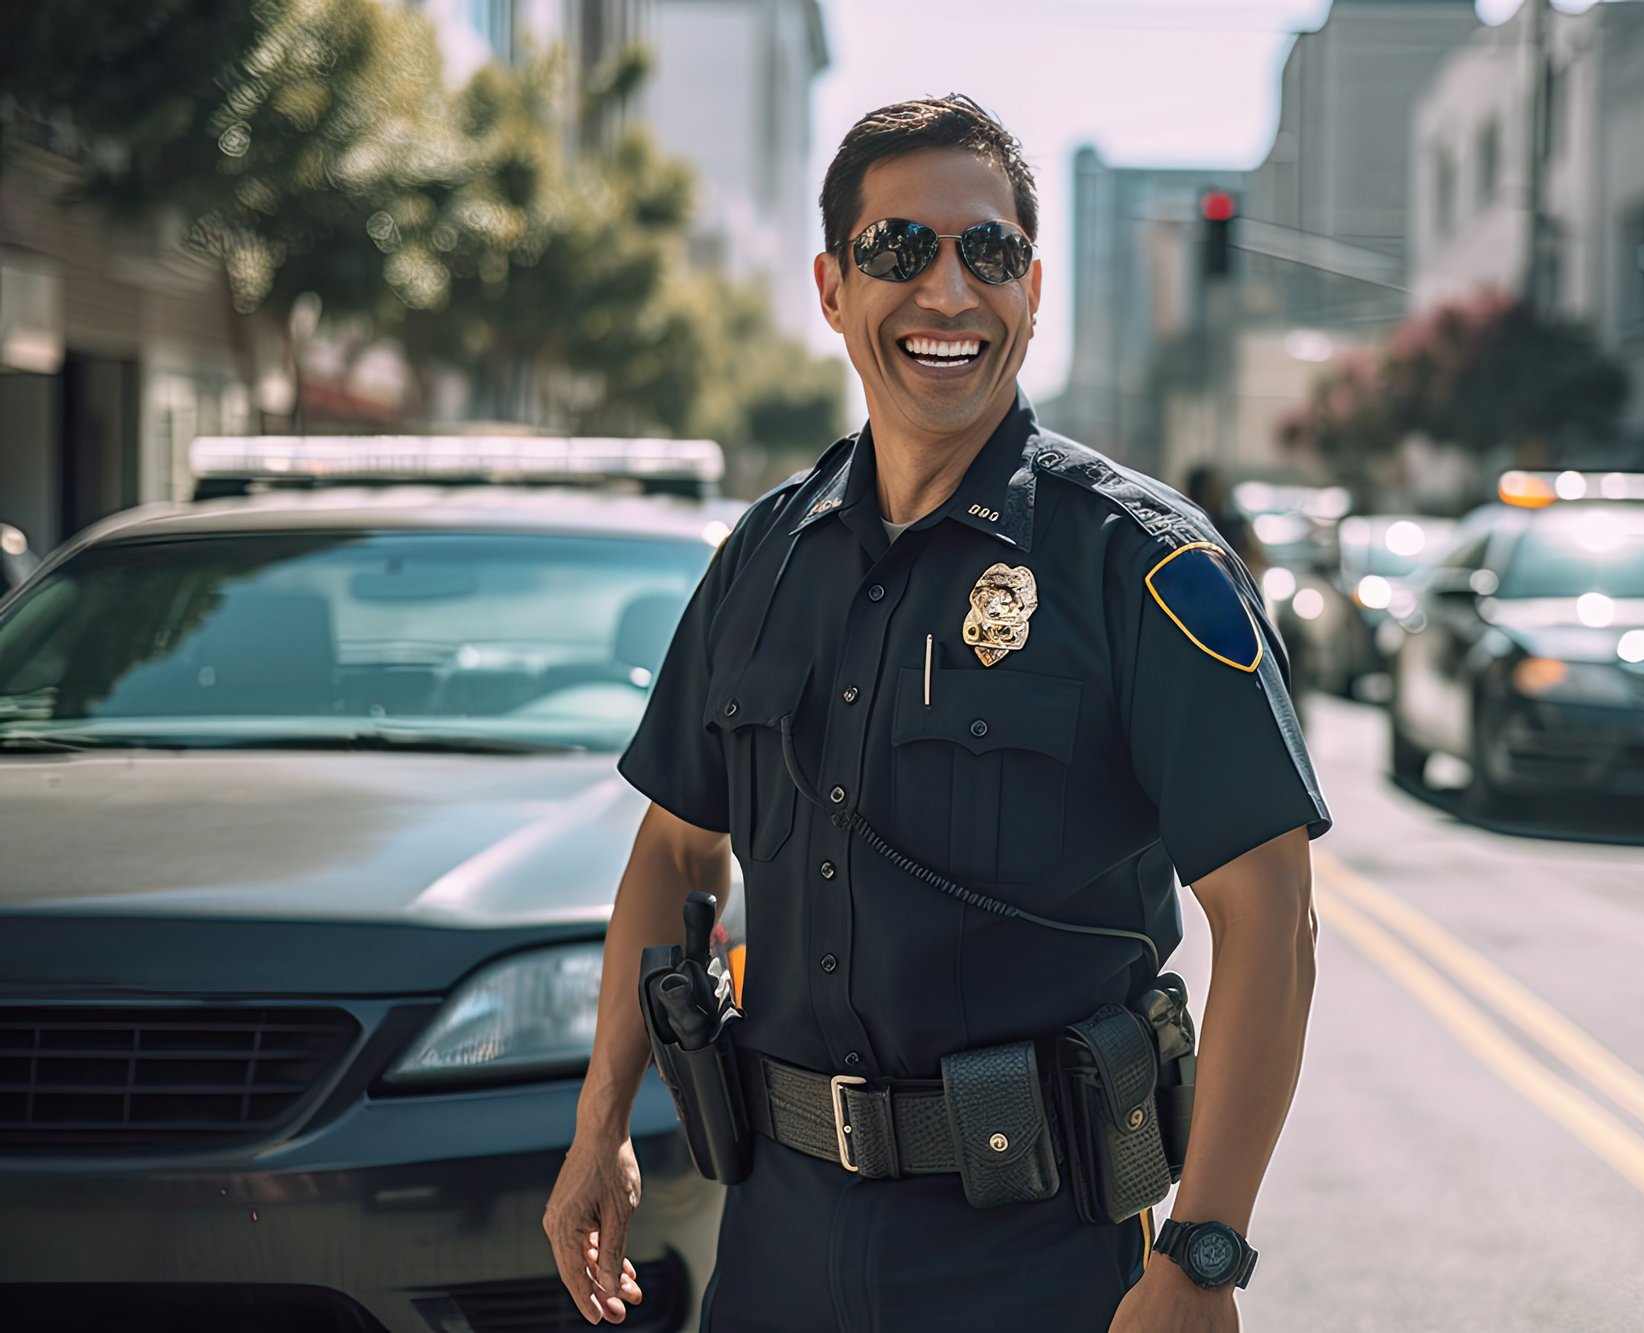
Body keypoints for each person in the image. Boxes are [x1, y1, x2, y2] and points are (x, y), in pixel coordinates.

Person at [543, 94, 1328, 1333]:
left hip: (1042, 1258)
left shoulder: (1135, 561)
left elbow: (1267, 915)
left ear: (1032, 284)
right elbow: (675, 851)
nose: (948, 293)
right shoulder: (761, 555)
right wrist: (601, 1129)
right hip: (779, 1239)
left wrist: (1201, 1253)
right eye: (898, 250)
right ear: (830, 286)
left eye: (990, 251)